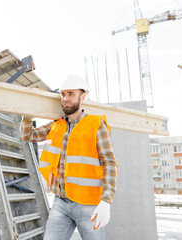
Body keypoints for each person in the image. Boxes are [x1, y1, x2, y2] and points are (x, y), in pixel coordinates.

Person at [20, 75, 117, 240]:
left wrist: (106, 200)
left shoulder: (95, 124)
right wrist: (28, 115)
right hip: (61, 202)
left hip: (88, 204)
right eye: (63, 94)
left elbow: (109, 162)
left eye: (71, 94)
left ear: (83, 96)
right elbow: (28, 135)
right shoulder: (57, 125)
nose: (65, 99)